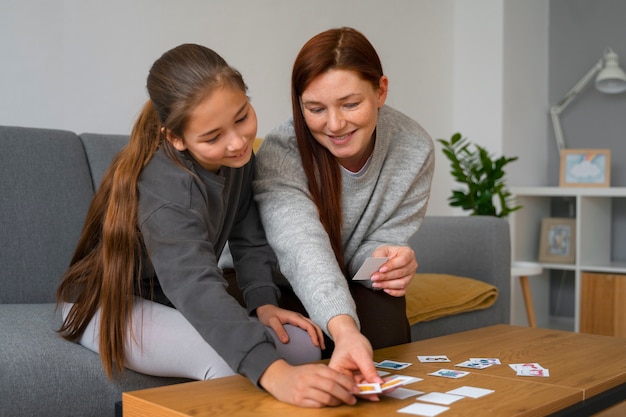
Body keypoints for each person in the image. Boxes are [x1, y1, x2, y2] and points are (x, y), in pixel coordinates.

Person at [56, 43, 363, 408]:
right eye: (213, 137)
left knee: (301, 346)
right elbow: (195, 286)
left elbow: (248, 237)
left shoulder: (239, 160)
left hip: (169, 301)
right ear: (175, 137)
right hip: (107, 305)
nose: (237, 142)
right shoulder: (167, 189)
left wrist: (263, 304)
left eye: (242, 117)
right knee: (235, 363)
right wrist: (275, 374)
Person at [253, 27, 434, 383]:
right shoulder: (282, 151)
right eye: (315, 109)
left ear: (380, 91)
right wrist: (346, 330)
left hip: (340, 277)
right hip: (270, 282)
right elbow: (301, 248)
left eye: (350, 104)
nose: (335, 125)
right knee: (313, 338)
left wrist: (385, 261)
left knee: (387, 318)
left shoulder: (413, 148)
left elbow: (359, 265)